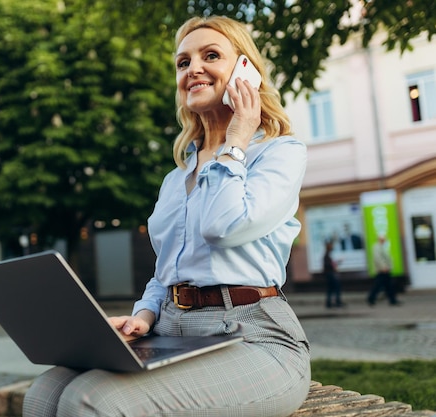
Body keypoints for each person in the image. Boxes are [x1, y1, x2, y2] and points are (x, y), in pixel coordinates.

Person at [23, 15, 310, 417]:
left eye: (211, 55)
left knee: (89, 400)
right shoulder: (176, 178)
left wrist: (238, 137)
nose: (193, 68)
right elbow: (167, 272)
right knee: (45, 390)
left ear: (246, 71)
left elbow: (223, 227)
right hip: (171, 329)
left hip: (254, 336)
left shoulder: (280, 152)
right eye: (182, 62)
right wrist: (145, 312)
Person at [367, 234, 399, 306]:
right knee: (378, 285)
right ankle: (371, 298)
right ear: (380, 239)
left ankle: (392, 300)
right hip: (382, 270)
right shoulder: (376, 247)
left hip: (385, 269)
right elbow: (377, 258)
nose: (385, 240)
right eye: (383, 239)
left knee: (388, 285)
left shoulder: (381, 247)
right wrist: (383, 267)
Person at [323, 240, 344, 308]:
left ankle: (329, 303)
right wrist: (334, 266)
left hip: (329, 275)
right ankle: (337, 302)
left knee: (330, 289)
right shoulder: (327, 255)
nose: (332, 247)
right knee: (335, 288)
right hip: (331, 275)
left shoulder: (327, 255)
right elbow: (330, 265)